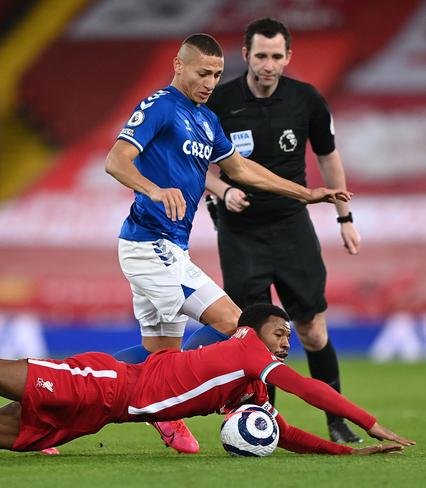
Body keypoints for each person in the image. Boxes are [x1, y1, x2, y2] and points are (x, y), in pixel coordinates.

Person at [0, 265, 414, 457]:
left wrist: (345, 452)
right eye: (281, 331)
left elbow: (281, 431)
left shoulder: (250, 388)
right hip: (106, 383)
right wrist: (367, 420)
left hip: (104, 414)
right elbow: (308, 392)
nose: (286, 340)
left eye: (286, 335)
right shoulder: (251, 351)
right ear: (258, 330)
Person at [104, 33, 351, 452]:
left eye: (217, 75)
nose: (210, 82)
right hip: (150, 245)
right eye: (202, 72)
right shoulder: (160, 106)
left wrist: (303, 193)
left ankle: (57, 389)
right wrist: (152, 189)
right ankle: (244, 404)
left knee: (157, 355)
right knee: (239, 327)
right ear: (178, 66)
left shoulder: (205, 119)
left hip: (167, 247)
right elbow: (116, 160)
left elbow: (239, 168)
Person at [198, 17, 362, 443]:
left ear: (287, 57)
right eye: (261, 56)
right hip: (240, 232)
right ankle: (262, 423)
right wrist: (221, 190)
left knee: (311, 330)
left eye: (276, 56)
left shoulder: (306, 100)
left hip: (291, 227)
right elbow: (195, 166)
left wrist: (345, 218)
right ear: (246, 56)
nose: (268, 65)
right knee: (252, 336)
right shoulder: (220, 102)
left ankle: (337, 422)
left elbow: (328, 157)